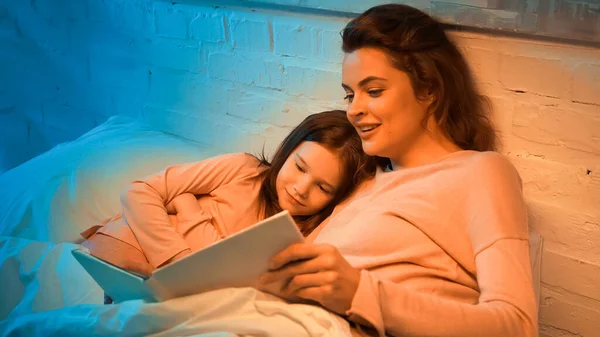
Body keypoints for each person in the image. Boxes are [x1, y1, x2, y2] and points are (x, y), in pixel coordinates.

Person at [256, 4, 538, 337]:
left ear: (429, 89)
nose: (354, 110)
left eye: (373, 91)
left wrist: (360, 292)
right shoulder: (363, 179)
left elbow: (518, 326)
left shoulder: (482, 172)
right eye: (350, 95)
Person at [81, 110, 379, 281]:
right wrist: (177, 259)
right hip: (126, 245)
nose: (301, 188)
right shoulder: (244, 169)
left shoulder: (301, 236)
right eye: (300, 167)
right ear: (288, 150)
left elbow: (223, 273)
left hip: (178, 285)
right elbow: (139, 191)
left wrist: (188, 208)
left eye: (323, 187)